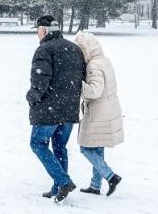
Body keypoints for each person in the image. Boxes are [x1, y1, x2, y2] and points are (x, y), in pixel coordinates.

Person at [26, 14, 86, 203]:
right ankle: (57, 187)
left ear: (43, 30)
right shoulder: (74, 49)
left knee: (37, 144)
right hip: (68, 110)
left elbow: (40, 80)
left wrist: (31, 97)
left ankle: (63, 181)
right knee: (60, 147)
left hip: (49, 109)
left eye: (38, 30)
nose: (37, 34)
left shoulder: (44, 49)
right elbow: (81, 77)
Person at [74, 31, 124, 196]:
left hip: (98, 113)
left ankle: (111, 176)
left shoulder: (93, 65)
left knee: (86, 148)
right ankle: (95, 186)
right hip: (109, 109)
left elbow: (94, 91)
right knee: (98, 148)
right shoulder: (104, 61)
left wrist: (77, 83)